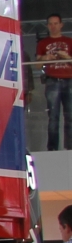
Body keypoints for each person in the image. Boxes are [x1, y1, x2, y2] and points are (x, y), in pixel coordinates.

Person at [38, 15, 72, 150]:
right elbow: (37, 66)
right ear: (47, 26)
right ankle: (52, 148)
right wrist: (46, 58)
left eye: (56, 23)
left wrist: (67, 57)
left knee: (70, 115)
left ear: (61, 25)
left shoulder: (69, 41)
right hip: (52, 80)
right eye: (51, 24)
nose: (53, 26)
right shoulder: (42, 43)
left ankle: (70, 148)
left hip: (69, 80)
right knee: (53, 116)